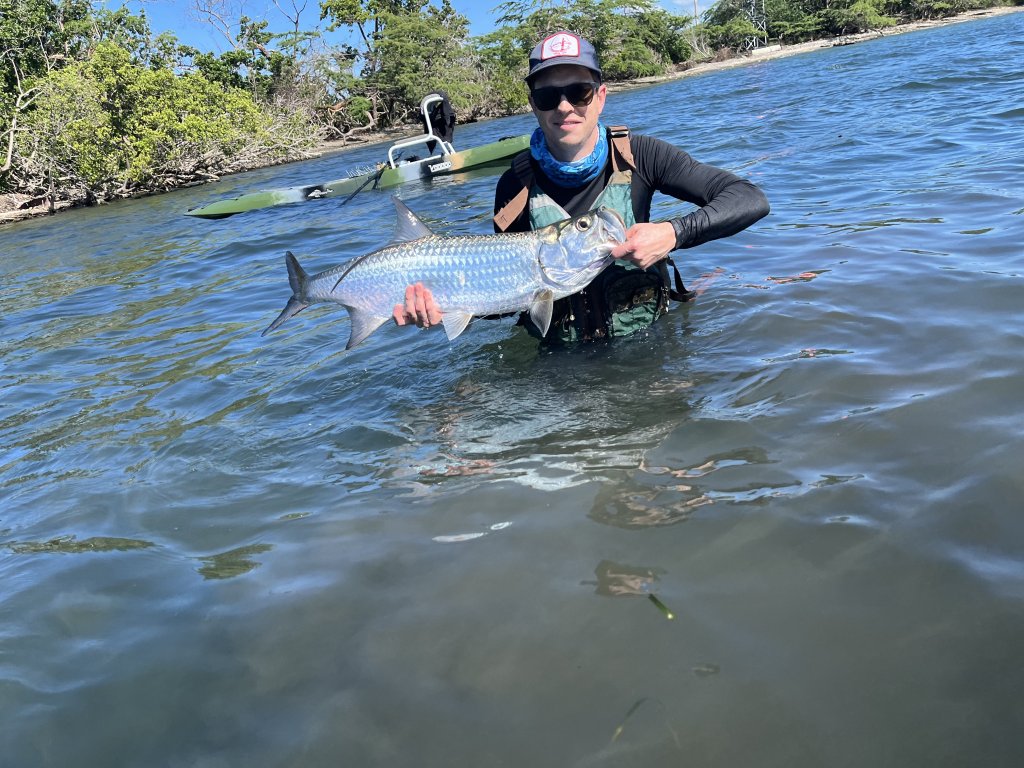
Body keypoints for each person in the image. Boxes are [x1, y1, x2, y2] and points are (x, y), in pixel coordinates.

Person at [393, 31, 769, 343]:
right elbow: (509, 296)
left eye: (579, 92)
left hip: (649, 348)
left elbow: (749, 198)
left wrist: (673, 233)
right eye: (547, 96)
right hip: (561, 366)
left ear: (601, 97)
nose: (564, 106)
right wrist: (445, 304)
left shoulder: (644, 155)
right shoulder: (514, 182)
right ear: (533, 104)